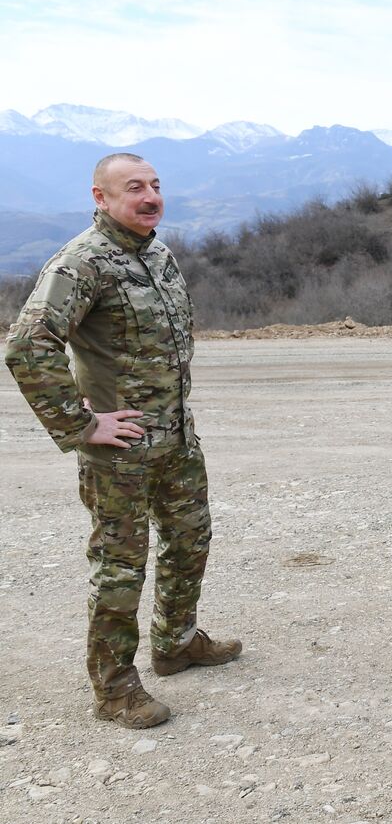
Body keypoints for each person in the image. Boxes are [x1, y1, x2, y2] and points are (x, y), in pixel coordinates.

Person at [5, 153, 241, 730]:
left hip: (176, 439)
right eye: (134, 187)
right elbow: (28, 345)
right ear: (101, 197)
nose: (150, 195)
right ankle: (114, 689)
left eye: (156, 185)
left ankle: (176, 642)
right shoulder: (81, 263)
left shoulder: (157, 253)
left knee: (190, 542)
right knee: (120, 566)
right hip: (120, 452)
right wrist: (80, 424)